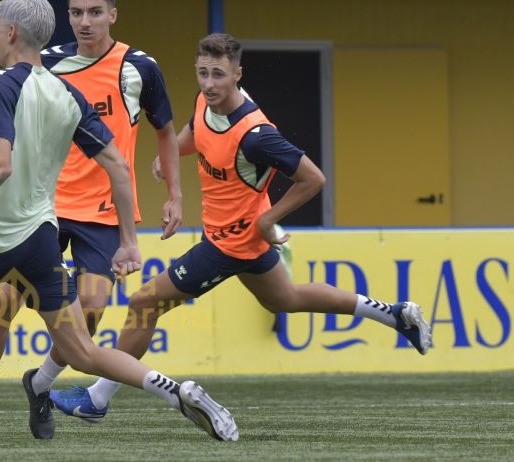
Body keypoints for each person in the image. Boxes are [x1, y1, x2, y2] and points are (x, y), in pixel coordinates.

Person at [0, 0, 236, 444]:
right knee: (82, 349)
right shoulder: (66, 92)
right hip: (40, 239)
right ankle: (177, 390)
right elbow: (117, 164)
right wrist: (130, 240)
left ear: (11, 32)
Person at [49, 33, 434, 423]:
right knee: (287, 299)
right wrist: (170, 157)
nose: (209, 83)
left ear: (238, 74)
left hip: (228, 244)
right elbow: (194, 132)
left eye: (218, 74)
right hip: (236, 239)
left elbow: (313, 179)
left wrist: (267, 219)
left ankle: (97, 400)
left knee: (144, 303)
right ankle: (395, 314)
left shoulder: (257, 135)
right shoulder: (206, 100)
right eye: (202, 73)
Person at [0, 0, 183, 441]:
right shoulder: (45, 63)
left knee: (89, 310)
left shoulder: (139, 68)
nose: (85, 22)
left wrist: (174, 194)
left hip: (103, 214)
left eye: (95, 12)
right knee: (5, 303)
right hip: (44, 208)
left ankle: (41, 383)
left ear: (113, 14)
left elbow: (166, 130)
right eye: (76, 13)